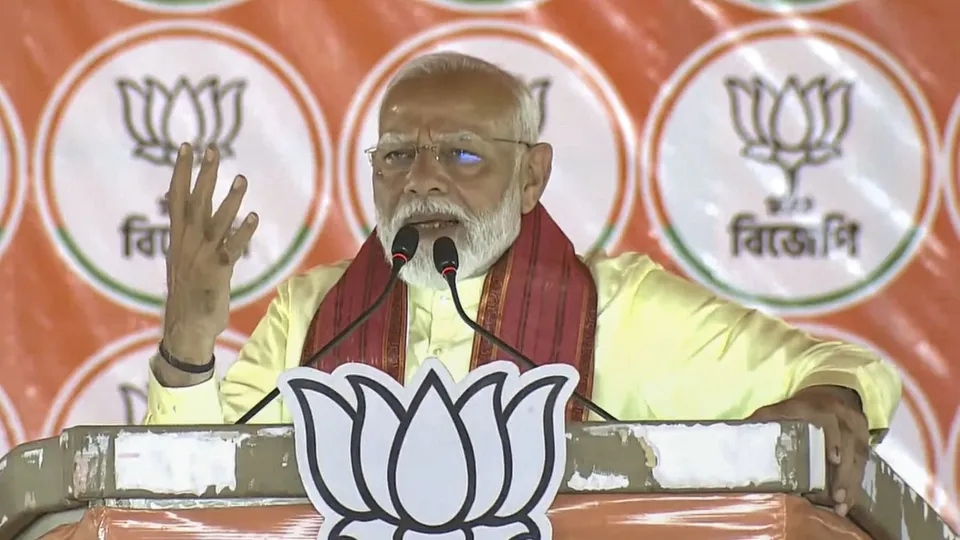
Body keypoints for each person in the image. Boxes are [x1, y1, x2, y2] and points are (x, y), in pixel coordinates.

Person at [145, 52, 901, 518]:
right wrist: (186, 348)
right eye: (397, 157)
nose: (424, 180)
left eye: (464, 157)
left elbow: (838, 370)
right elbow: (186, 501)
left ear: (532, 175)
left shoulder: (619, 308)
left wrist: (832, 401)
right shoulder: (316, 312)